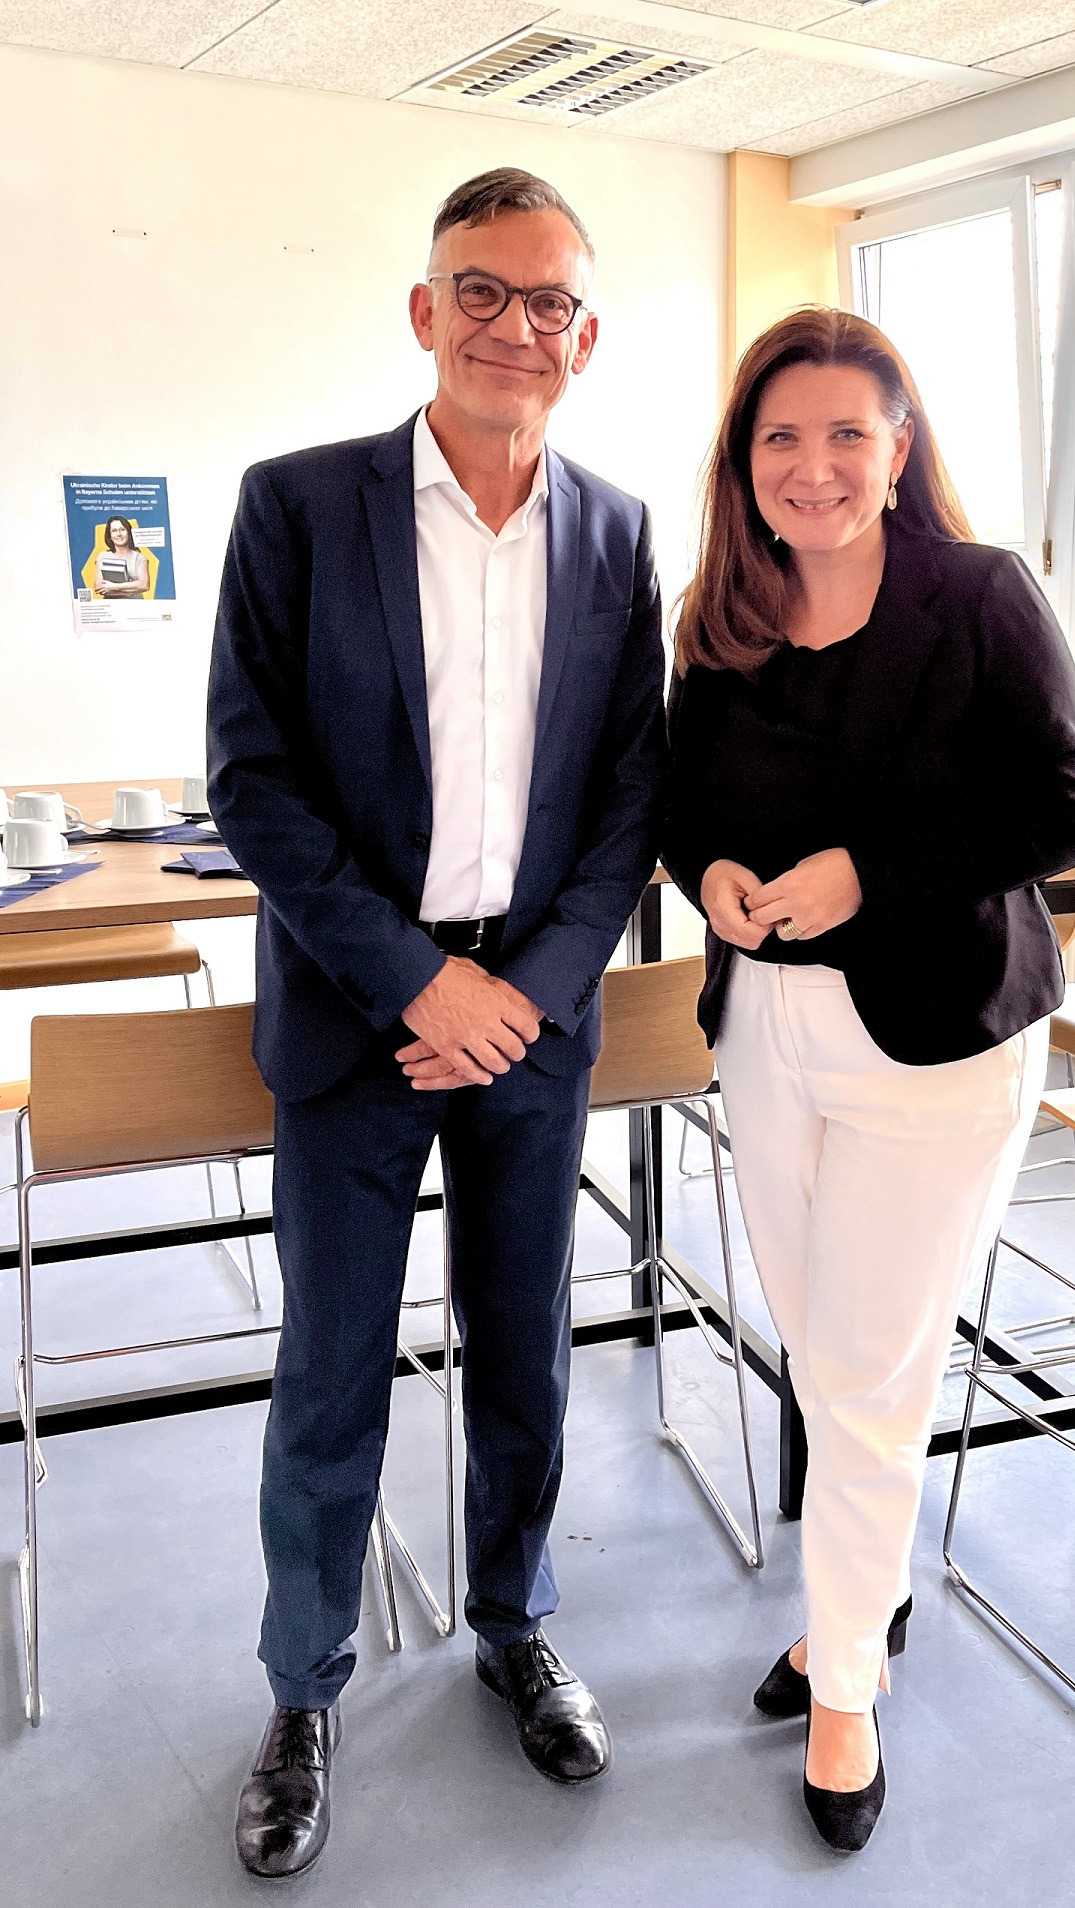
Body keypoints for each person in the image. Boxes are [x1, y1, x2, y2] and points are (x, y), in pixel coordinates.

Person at [208, 168, 666, 1880]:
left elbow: (628, 804)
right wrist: (418, 980)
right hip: (360, 1016)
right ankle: (302, 1685)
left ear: (584, 338)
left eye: (548, 301)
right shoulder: (296, 507)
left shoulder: (618, 533)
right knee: (332, 1372)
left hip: (532, 1020)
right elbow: (251, 780)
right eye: (481, 288)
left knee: (526, 1350)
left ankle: (516, 1623)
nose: (512, 325)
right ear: (424, 310)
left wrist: (521, 993)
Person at [664, 307, 1075, 1851]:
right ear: (744, 462)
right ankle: (866, 1588)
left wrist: (868, 875)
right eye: (779, 437)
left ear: (898, 451)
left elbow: (1065, 811)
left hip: (935, 1038)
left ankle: (843, 1678)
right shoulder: (720, 615)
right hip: (763, 1033)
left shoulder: (976, 596)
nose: (813, 466)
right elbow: (674, 805)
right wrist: (705, 873)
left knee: (864, 1369)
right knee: (824, 1350)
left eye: (846, 433)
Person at [93, 515, 149, 597]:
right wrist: (132, 590)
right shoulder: (102, 556)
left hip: (136, 604)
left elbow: (144, 585)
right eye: (114, 531)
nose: (119, 534)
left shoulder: (139, 557)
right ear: (109, 536)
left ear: (129, 533)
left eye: (122, 529)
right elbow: (99, 587)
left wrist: (113, 587)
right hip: (109, 604)